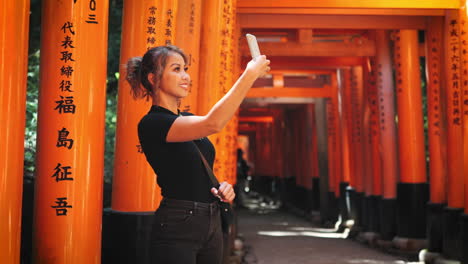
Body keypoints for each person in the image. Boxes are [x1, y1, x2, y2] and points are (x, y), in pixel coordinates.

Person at [125, 45, 270, 264]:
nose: (185, 76)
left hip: (211, 218)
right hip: (178, 222)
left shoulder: (188, 119)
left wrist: (222, 188)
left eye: (185, 68)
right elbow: (213, 123)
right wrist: (249, 75)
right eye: (176, 69)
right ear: (153, 78)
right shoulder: (153, 123)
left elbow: (195, 169)